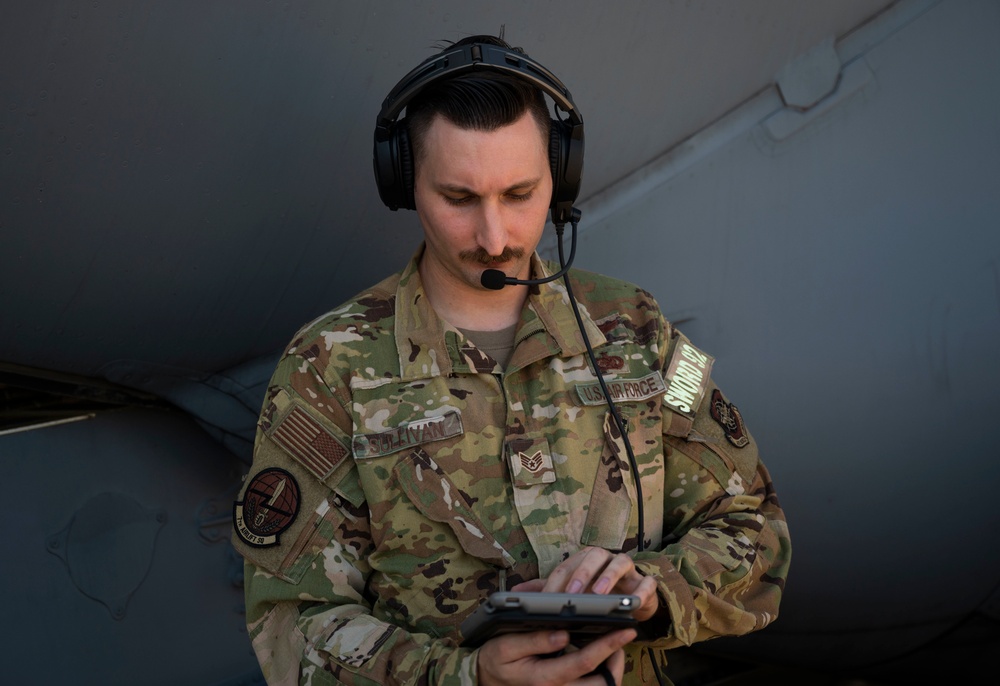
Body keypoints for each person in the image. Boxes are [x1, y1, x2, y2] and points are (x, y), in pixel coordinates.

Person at [232, 34, 791, 686]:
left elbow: (753, 527)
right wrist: (466, 677)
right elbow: (289, 624)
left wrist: (651, 590)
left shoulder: (635, 329)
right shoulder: (330, 367)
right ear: (403, 181)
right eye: (459, 199)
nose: (494, 238)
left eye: (520, 194)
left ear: (561, 174)